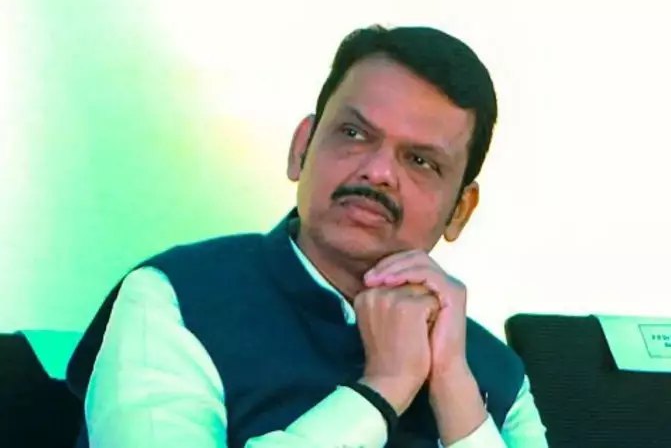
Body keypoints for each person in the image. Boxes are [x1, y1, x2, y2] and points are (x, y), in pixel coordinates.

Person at [66, 25, 549, 448]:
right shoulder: (177, 299)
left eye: (420, 161)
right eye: (354, 134)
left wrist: (456, 394)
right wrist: (382, 388)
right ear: (302, 148)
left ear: (460, 210)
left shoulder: (494, 372)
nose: (378, 171)